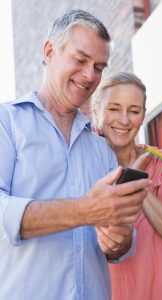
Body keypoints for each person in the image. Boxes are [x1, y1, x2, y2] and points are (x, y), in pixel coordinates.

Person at [0, 11, 151, 300]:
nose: (90, 75)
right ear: (49, 51)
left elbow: (122, 244)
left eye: (99, 67)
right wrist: (84, 210)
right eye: (80, 60)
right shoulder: (7, 123)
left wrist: (118, 240)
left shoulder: (101, 148)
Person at [91, 71, 162, 300]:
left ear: (142, 116)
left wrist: (136, 180)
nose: (124, 119)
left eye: (134, 111)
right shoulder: (83, 171)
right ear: (95, 112)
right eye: (113, 109)